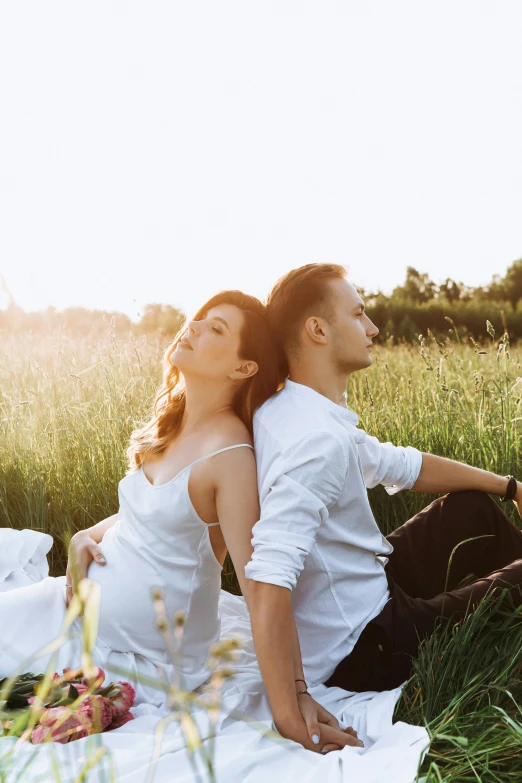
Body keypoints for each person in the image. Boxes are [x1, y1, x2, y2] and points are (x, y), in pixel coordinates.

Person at [0, 289, 360, 752]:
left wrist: (294, 700)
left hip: (136, 655)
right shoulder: (171, 426)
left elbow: (261, 587)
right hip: (68, 608)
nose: (193, 328)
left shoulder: (230, 456)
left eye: (217, 329)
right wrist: (83, 537)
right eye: (198, 319)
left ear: (243, 367)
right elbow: (148, 513)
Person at [245, 263, 522, 751]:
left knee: (474, 508)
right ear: (317, 330)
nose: (372, 328)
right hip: (365, 645)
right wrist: (292, 707)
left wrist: (511, 487)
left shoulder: (287, 408)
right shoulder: (316, 441)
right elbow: (269, 575)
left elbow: (403, 465)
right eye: (359, 314)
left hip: (364, 586)